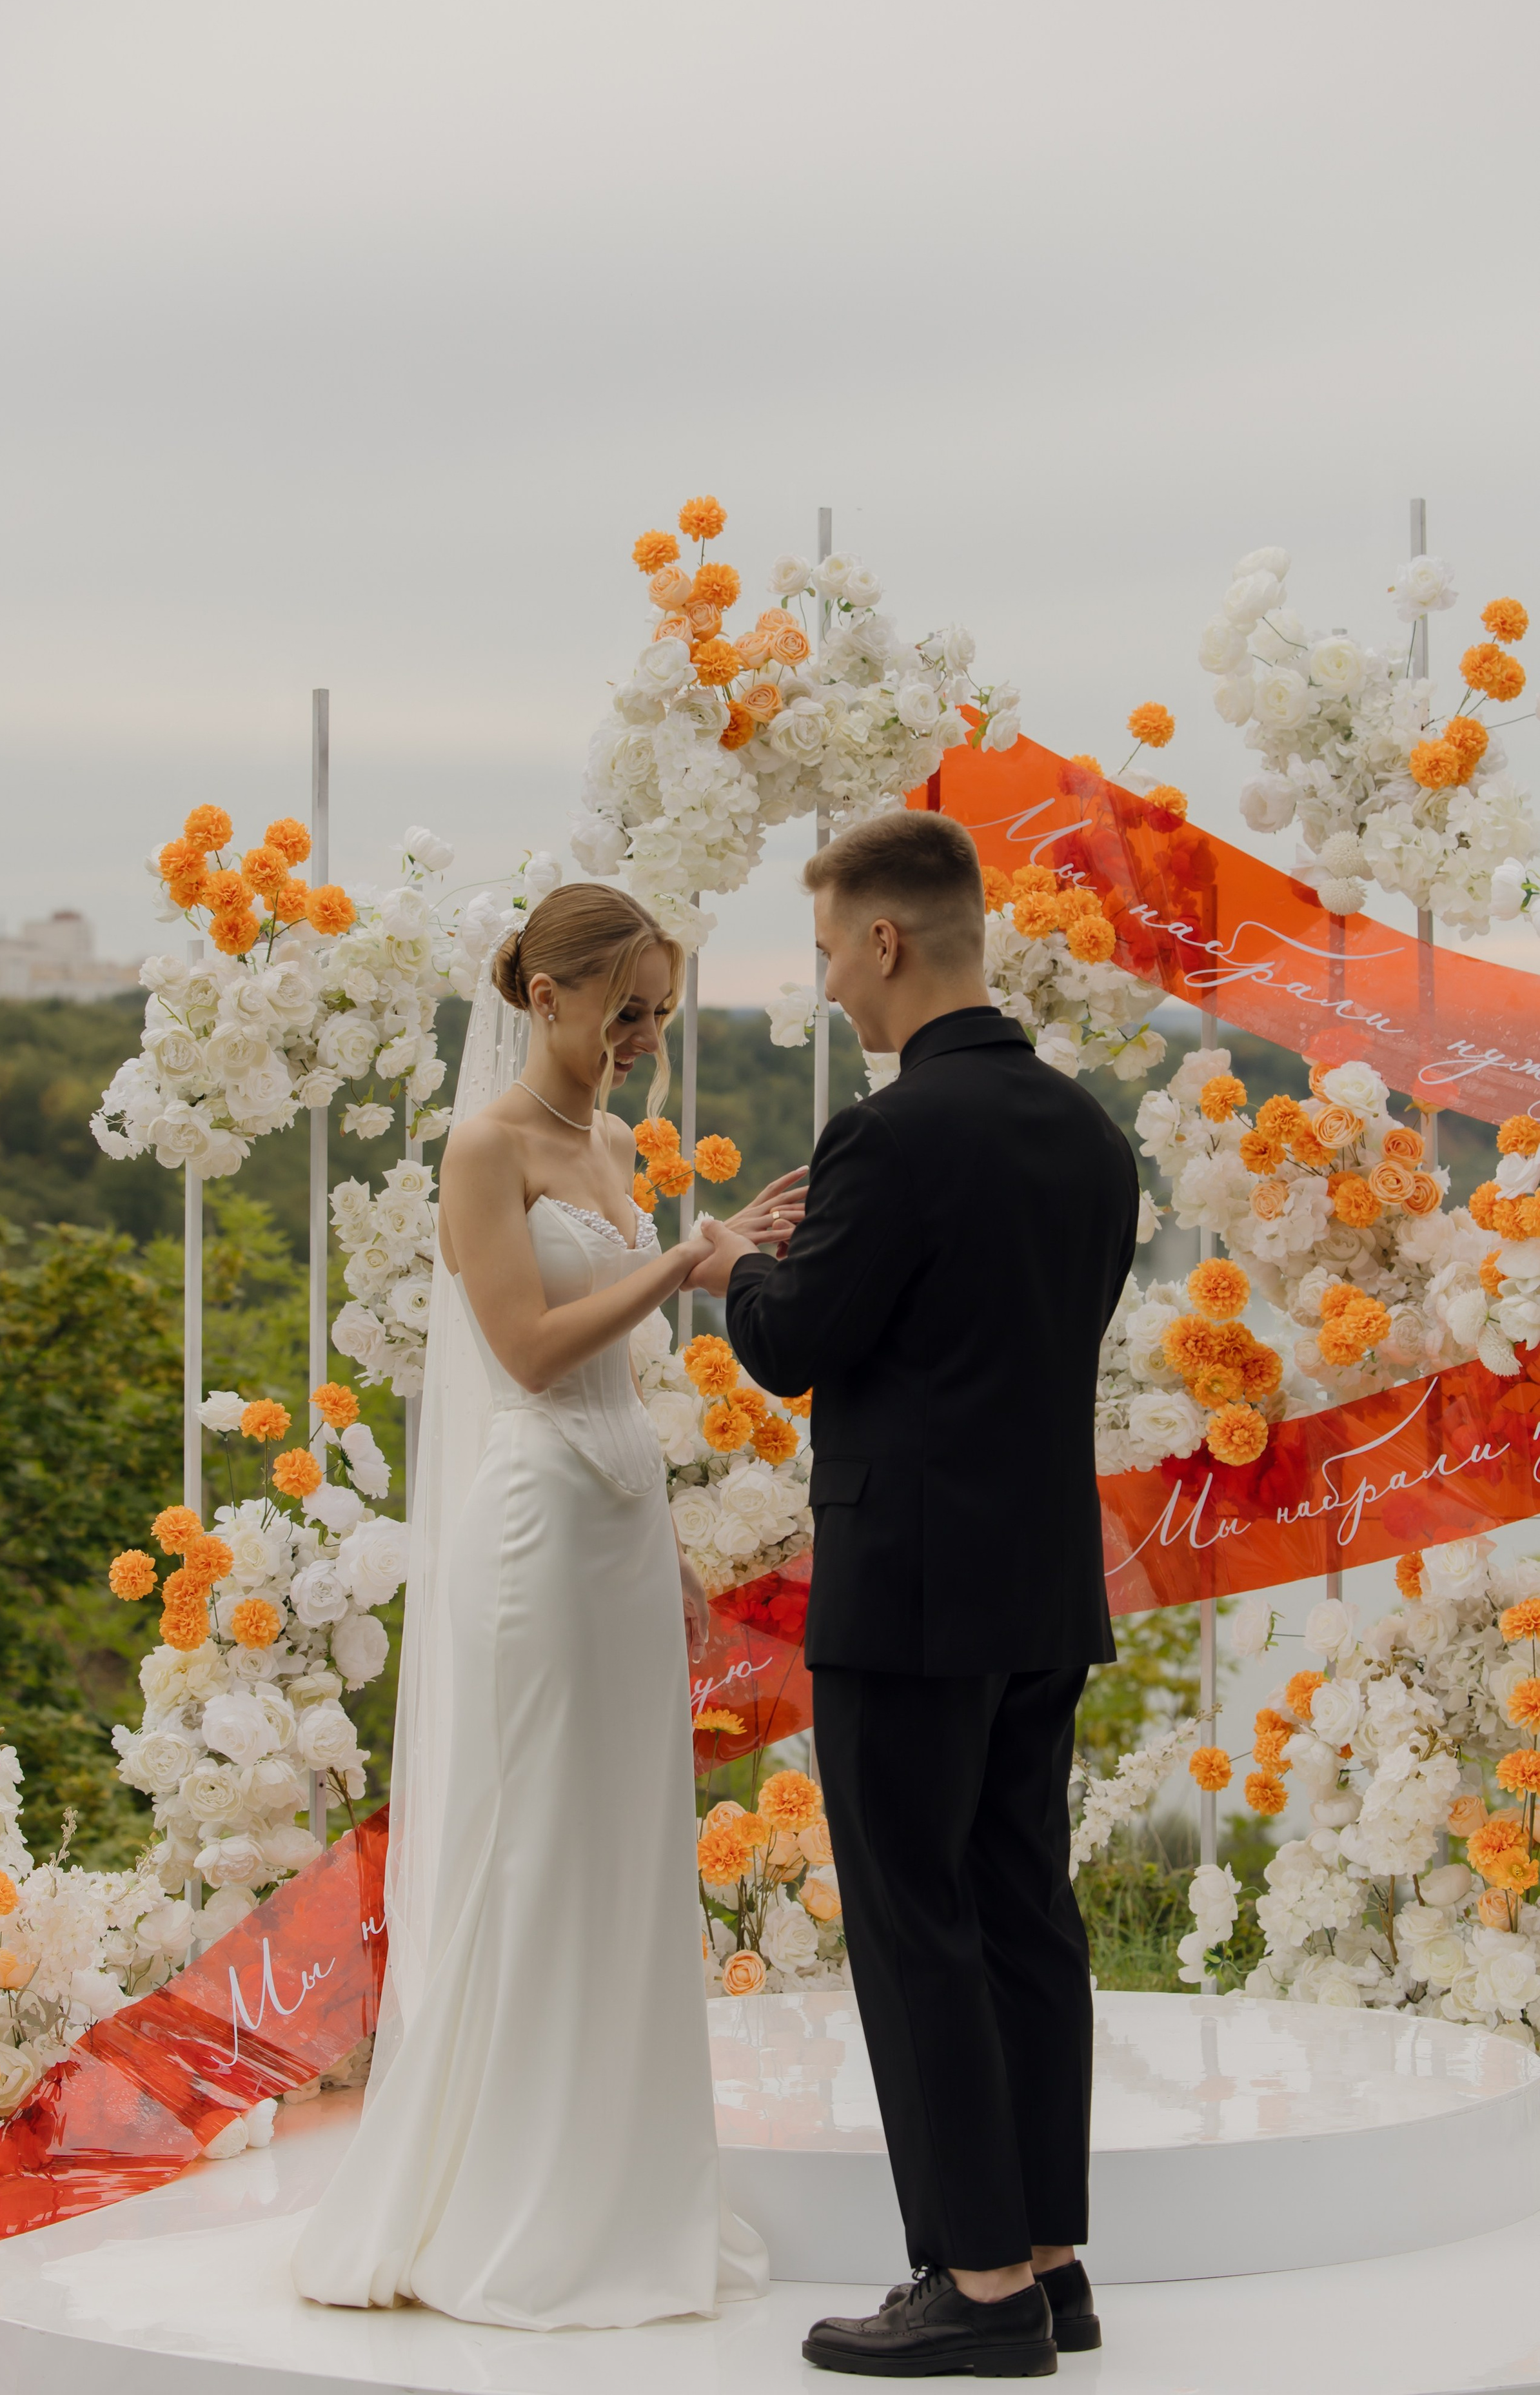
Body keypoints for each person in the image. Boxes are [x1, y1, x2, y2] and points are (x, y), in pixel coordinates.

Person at [291, 883, 804, 2329]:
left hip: (617, 1522)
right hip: (530, 1530)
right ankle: (504, 2204)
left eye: (659, 1010)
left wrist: (676, 1535)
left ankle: (612, 2186)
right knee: (532, 1847)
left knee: (619, 1851)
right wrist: (684, 1264)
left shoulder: (606, 1145)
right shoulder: (483, 1145)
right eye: (625, 1007)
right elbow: (522, 1349)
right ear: (547, 997)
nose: (643, 1035)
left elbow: (611, 1373)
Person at [687, 811, 1140, 2380]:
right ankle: (1053, 2262)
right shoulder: (1087, 1133)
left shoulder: (890, 1135)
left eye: (824, 952)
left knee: (912, 1922)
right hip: (1039, 1581)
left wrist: (730, 1268)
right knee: (1023, 1908)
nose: (824, 985)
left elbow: (795, 1343)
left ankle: (976, 2288)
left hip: (906, 1586)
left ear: (885, 941)